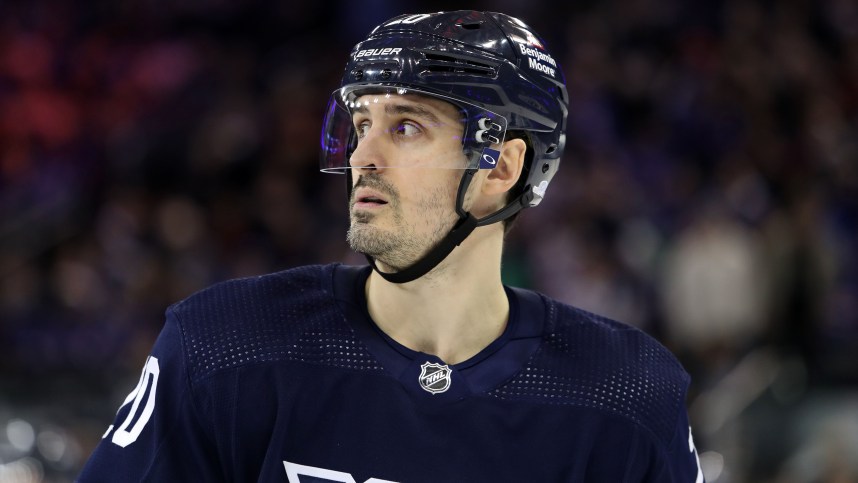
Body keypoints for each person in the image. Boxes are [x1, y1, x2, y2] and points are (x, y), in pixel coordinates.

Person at [78, 10, 704, 482]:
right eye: (361, 125)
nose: (363, 158)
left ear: (500, 167)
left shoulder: (626, 392)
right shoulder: (223, 343)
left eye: (406, 126)